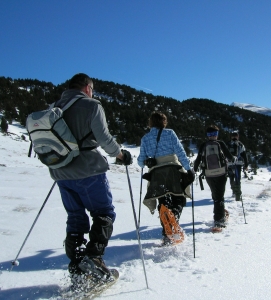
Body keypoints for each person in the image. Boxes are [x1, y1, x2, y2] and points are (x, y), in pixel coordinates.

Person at [48, 73, 132, 279]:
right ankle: (93, 260)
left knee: (75, 218)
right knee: (104, 213)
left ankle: (78, 267)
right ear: (87, 88)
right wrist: (121, 154)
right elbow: (104, 138)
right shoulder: (91, 105)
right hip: (89, 170)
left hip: (60, 172)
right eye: (92, 89)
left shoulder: (52, 108)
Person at [137, 112, 194, 245]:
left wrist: (147, 161)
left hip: (156, 174)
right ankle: (174, 217)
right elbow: (180, 152)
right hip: (173, 171)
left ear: (150, 122)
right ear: (164, 121)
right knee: (179, 198)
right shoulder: (170, 133)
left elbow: (140, 162)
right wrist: (188, 169)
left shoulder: (145, 138)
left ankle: (167, 236)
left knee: (163, 202)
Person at [193, 125, 235, 229]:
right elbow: (230, 156)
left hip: (208, 174)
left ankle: (219, 214)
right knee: (219, 197)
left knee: (215, 195)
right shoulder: (220, 143)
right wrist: (233, 160)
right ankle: (219, 220)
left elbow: (198, 159)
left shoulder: (203, 145)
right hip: (221, 173)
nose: (213, 136)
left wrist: (194, 170)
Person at [226, 131, 248, 201]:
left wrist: (246, 164)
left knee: (238, 179)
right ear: (231, 136)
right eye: (233, 136)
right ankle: (234, 191)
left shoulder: (240, 145)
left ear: (238, 137)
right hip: (230, 164)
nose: (234, 137)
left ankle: (238, 194)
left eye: (236, 136)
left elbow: (244, 155)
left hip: (238, 164)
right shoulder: (227, 144)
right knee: (231, 179)